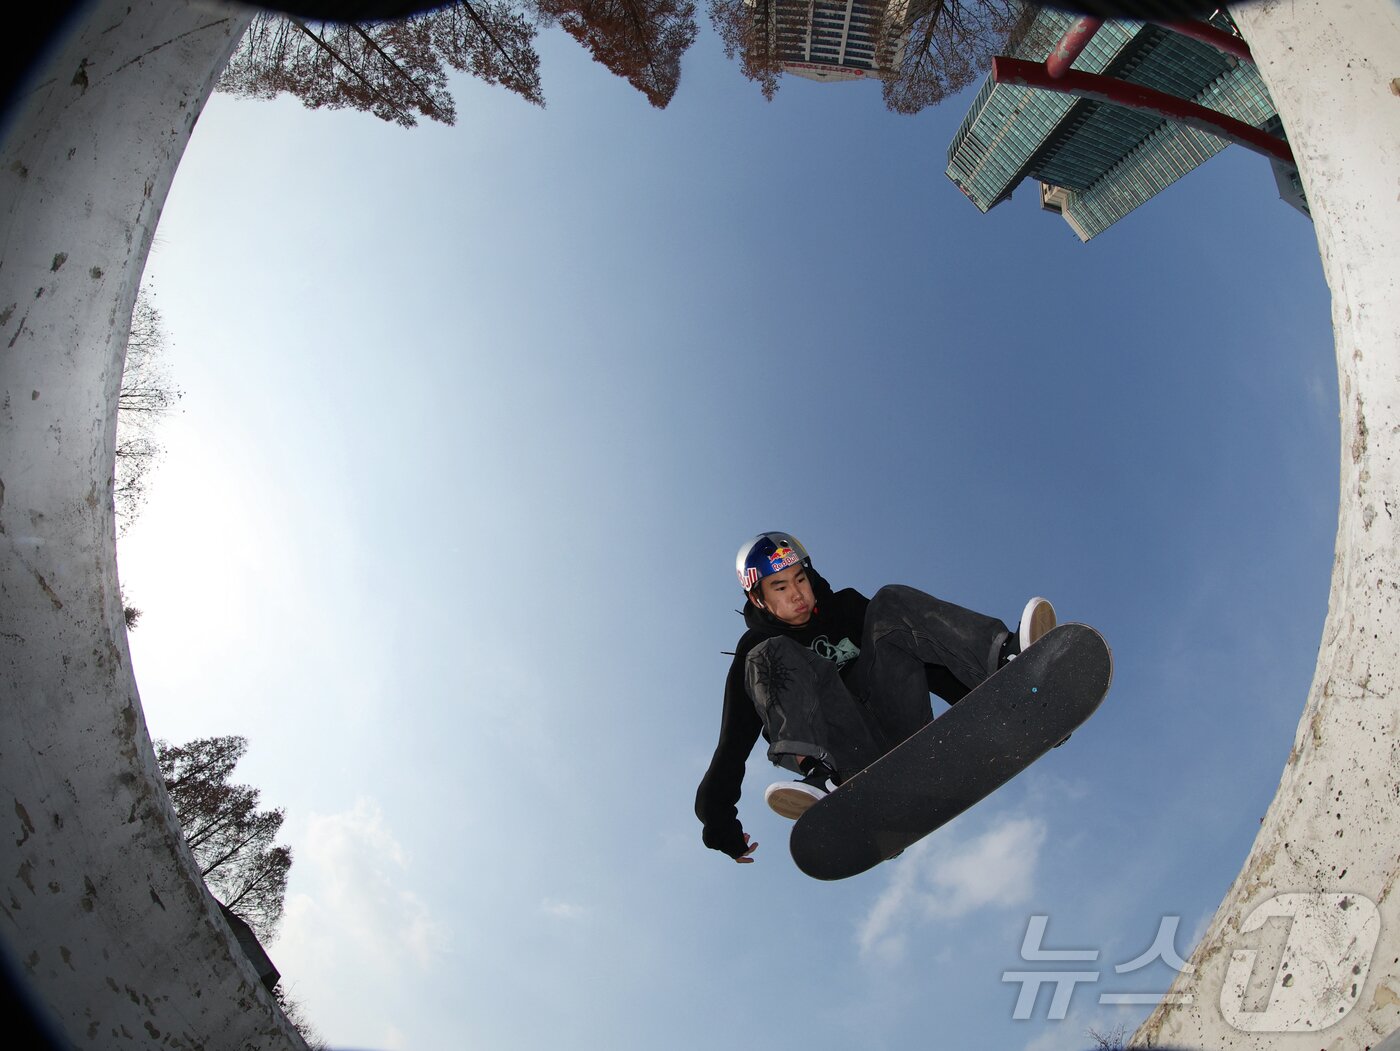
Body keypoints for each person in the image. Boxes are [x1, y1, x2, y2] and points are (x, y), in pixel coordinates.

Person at [694, 531, 1056, 864]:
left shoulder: (847, 607)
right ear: (759, 599)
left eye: (800, 579)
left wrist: (1003, 700)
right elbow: (732, 742)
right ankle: (824, 781)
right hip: (848, 755)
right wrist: (719, 823)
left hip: (899, 719)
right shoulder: (757, 650)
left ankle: (1007, 661)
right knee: (768, 655)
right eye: (780, 587)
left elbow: (924, 658)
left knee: (889, 601)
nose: (797, 595)